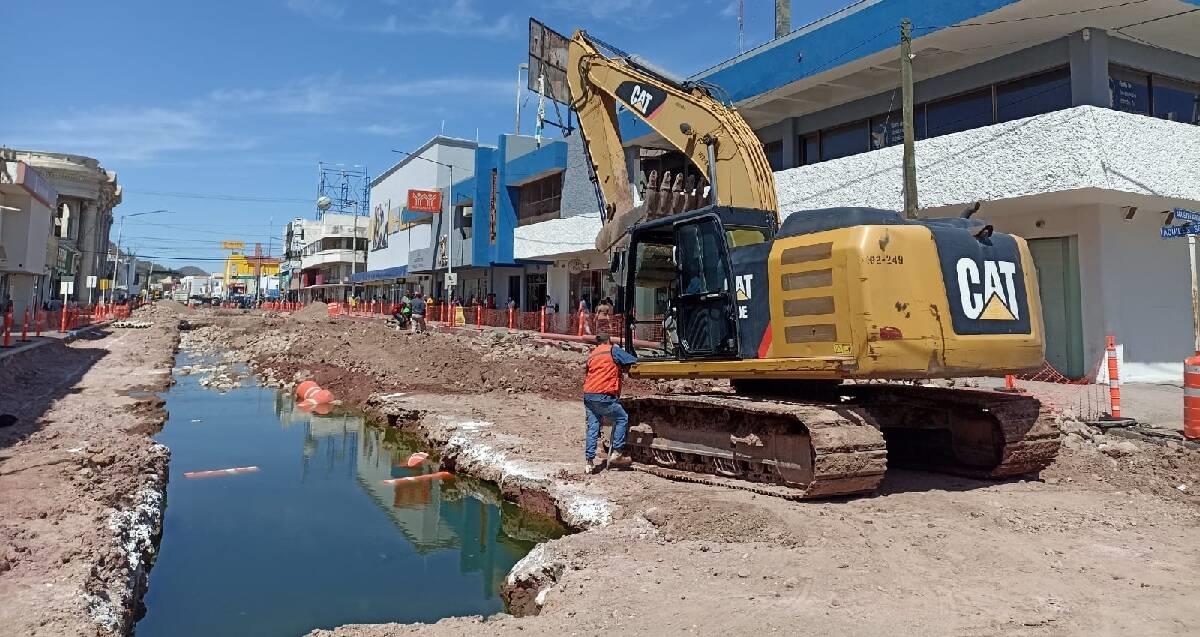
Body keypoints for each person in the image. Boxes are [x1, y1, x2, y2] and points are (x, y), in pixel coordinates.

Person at [582, 332, 638, 474]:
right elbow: (632, 360)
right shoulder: (612, 350)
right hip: (604, 395)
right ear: (609, 340)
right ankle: (617, 453)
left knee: (593, 427)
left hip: (589, 395)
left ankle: (589, 462)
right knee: (621, 418)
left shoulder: (592, 354)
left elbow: (589, 372)